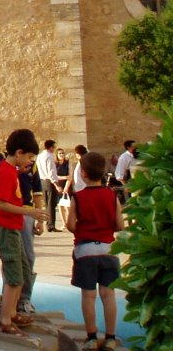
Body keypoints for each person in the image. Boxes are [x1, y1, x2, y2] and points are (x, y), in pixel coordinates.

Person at [0, 128, 49, 338]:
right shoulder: (5, 172)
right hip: (6, 228)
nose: (31, 162)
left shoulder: (12, 171)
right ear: (19, 152)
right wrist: (30, 211)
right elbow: (1, 204)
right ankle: (4, 321)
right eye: (30, 157)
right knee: (14, 275)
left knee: (23, 270)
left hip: (13, 228)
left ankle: (13, 312)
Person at [67, 151, 124, 351]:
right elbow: (119, 225)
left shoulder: (78, 197)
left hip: (86, 250)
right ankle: (110, 337)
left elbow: (71, 224)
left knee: (88, 296)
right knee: (108, 295)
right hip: (109, 249)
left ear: (83, 173)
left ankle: (91, 337)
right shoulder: (112, 196)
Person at [17, 155, 44, 316]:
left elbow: (37, 192)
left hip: (27, 213)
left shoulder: (32, 166)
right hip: (10, 213)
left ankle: (25, 298)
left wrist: (39, 218)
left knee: (28, 256)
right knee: (12, 256)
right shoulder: (4, 162)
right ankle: (9, 296)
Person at [35, 139, 63, 232]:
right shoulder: (50, 156)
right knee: (51, 204)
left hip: (42, 180)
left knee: (47, 203)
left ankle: (47, 222)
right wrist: (56, 184)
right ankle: (51, 225)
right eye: (54, 147)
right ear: (51, 147)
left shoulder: (39, 156)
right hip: (49, 181)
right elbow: (51, 171)